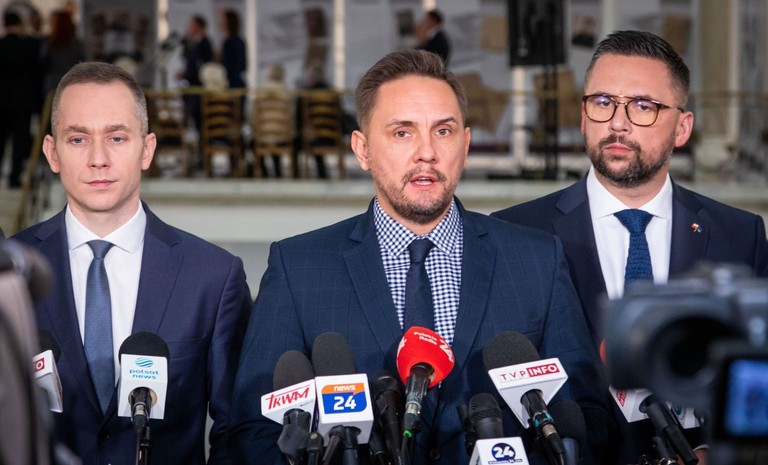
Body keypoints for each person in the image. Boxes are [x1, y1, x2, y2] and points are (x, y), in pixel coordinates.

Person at [230, 49, 610, 465]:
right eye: (402, 133)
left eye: (443, 131)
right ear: (362, 149)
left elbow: (585, 415)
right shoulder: (298, 268)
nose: (426, 152)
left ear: (465, 144)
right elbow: (254, 429)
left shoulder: (537, 260)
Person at [492, 30, 768, 465]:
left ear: (682, 127)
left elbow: (755, 378)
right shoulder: (515, 231)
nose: (618, 123)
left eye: (643, 106)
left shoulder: (739, 234)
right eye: (603, 102)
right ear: (583, 117)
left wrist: (714, 452)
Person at [11, 62, 252, 464]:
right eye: (78, 139)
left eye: (117, 138)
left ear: (147, 149)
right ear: (52, 153)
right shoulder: (11, 272)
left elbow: (237, 430)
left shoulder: (213, 277)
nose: (98, 159)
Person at [0, 10, 42, 189]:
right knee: (19, 140)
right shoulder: (29, 46)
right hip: (23, 101)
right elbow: (36, 75)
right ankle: (14, 177)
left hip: (2, 101)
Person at [41, 9, 86, 96]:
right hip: (72, 84)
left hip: (54, 86)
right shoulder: (77, 44)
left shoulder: (49, 44)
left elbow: (43, 64)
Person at [218, 9, 246, 90]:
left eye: (222, 20)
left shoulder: (229, 42)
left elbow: (228, 66)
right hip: (236, 83)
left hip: (230, 85)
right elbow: (243, 66)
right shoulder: (240, 41)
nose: (220, 23)